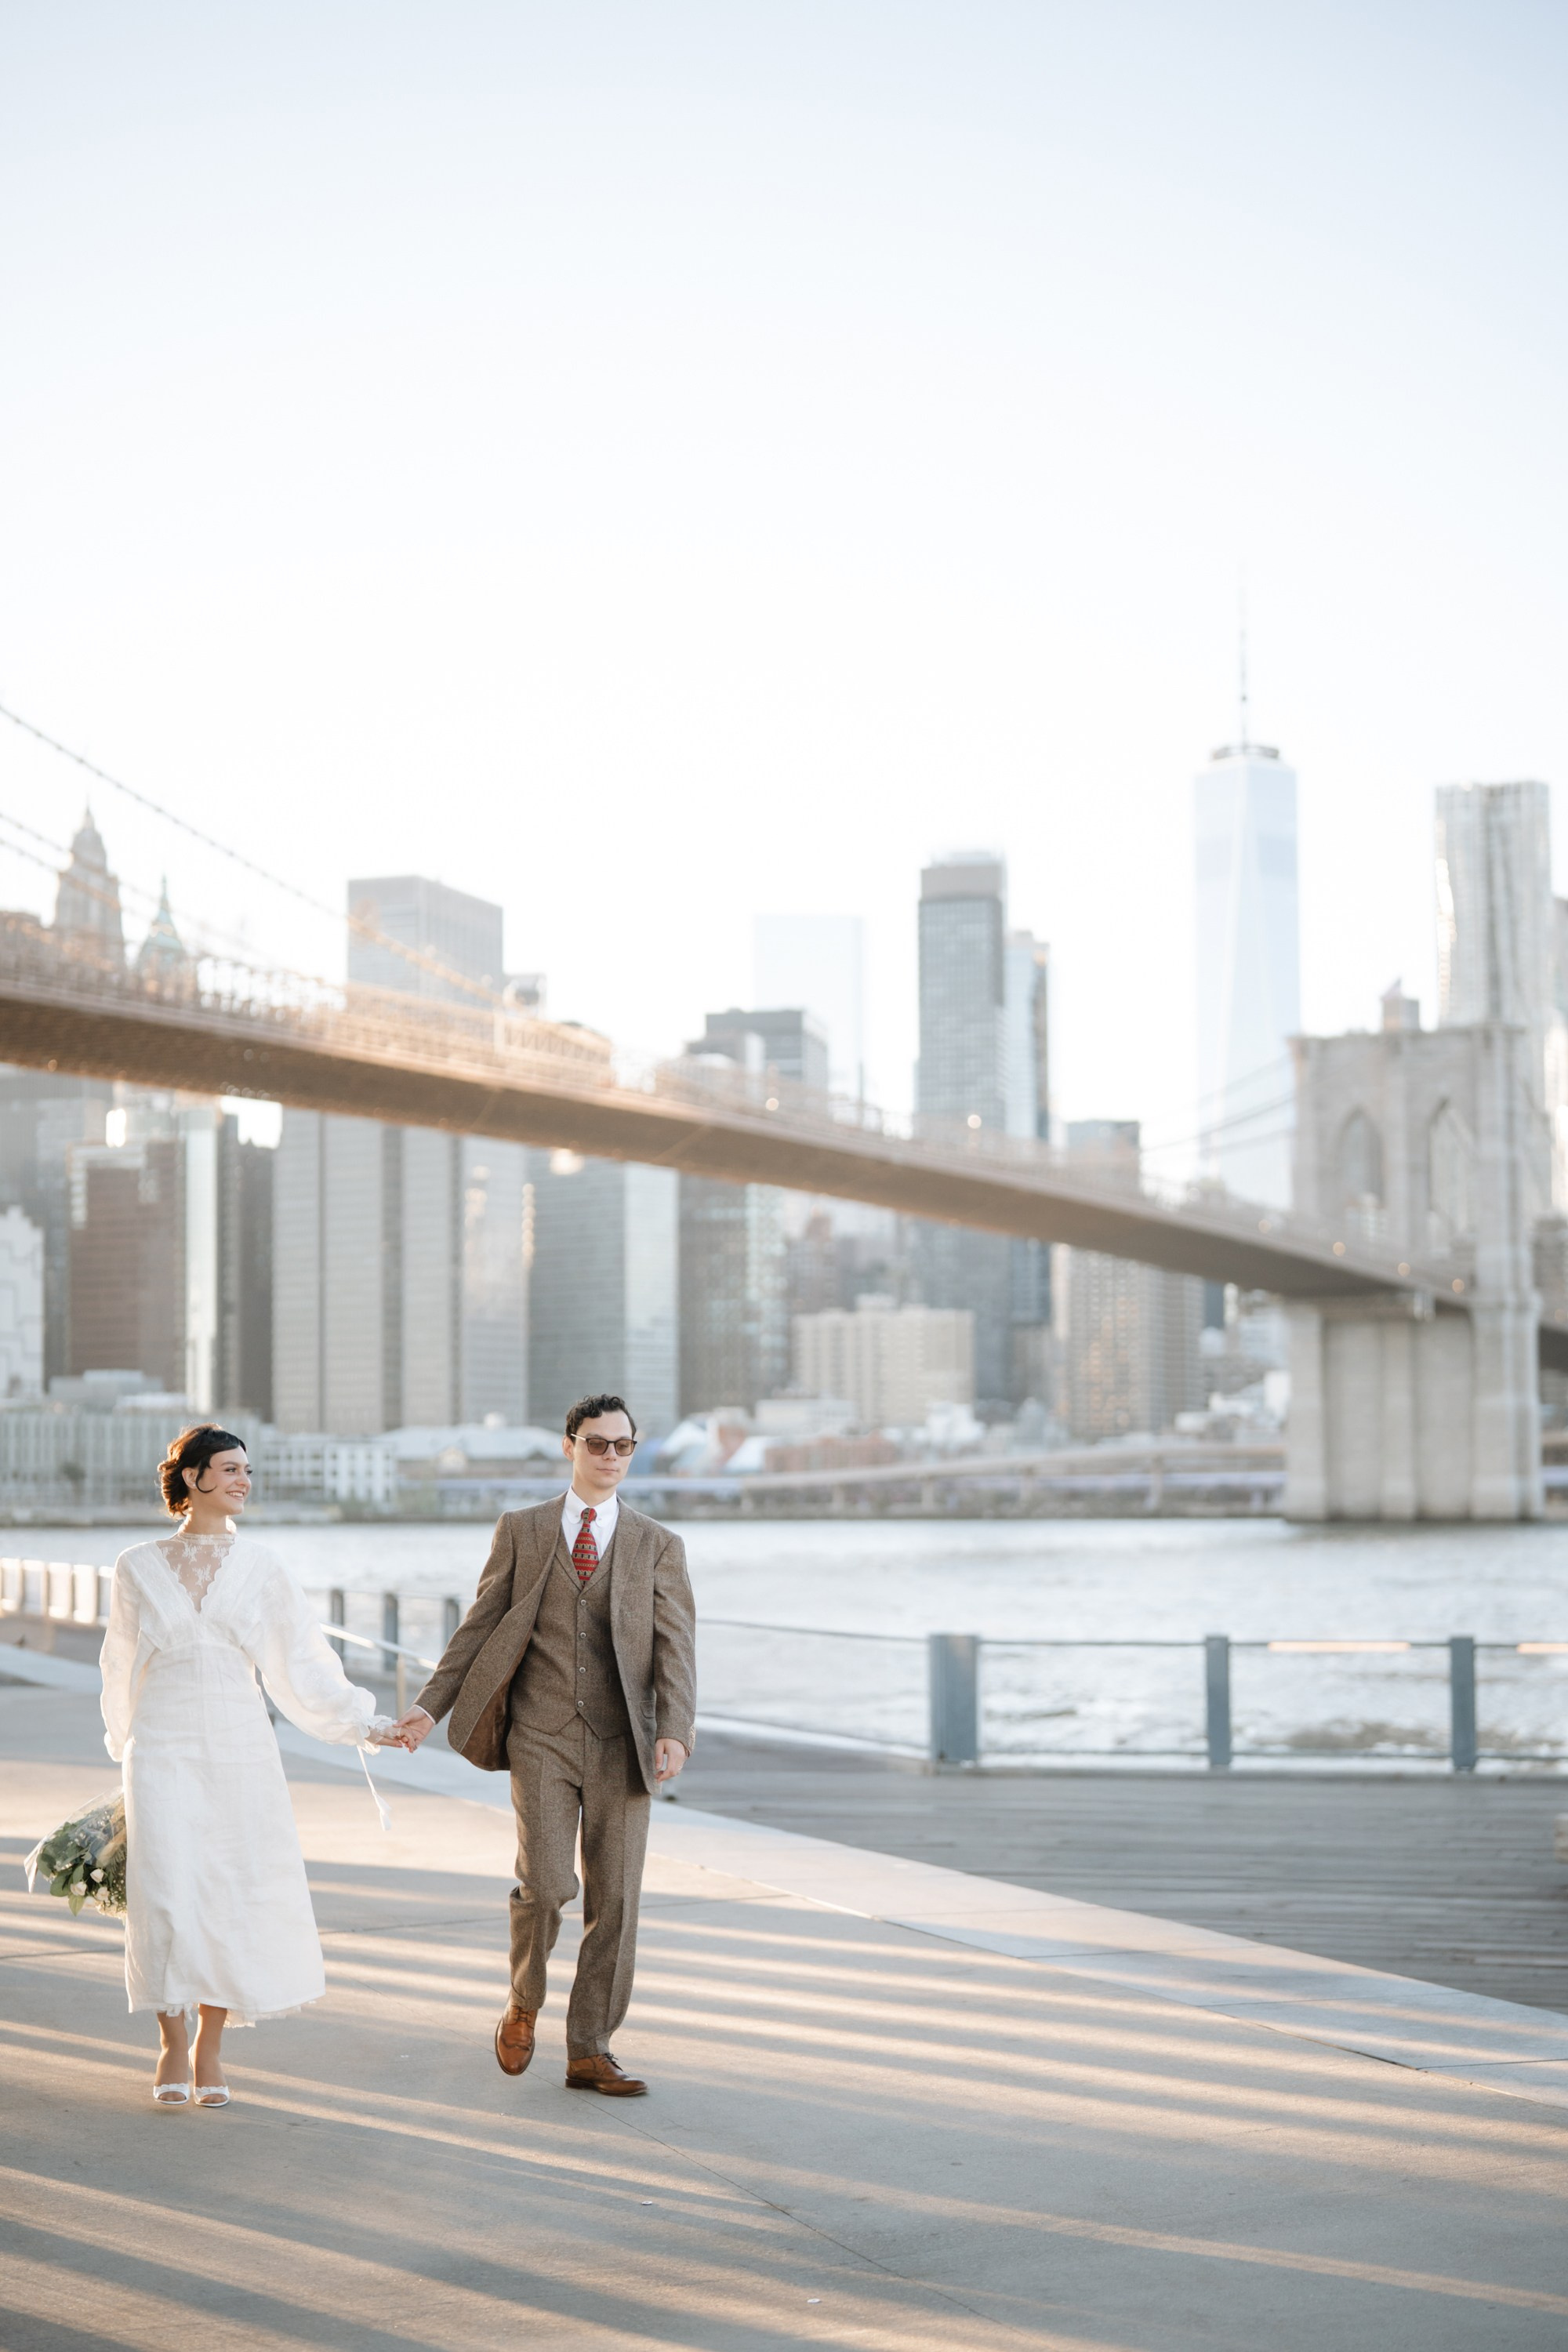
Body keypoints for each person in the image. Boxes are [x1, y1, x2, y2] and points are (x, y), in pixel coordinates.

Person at [394, 1393, 696, 2096]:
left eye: (623, 1446)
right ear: (569, 1446)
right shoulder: (523, 1530)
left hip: (625, 1740)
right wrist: (426, 1710)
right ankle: (524, 2002)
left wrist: (676, 1729)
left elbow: (675, 1646)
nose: (611, 1457)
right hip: (541, 1737)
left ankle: (590, 2048)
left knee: (616, 1899)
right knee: (548, 1884)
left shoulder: (658, 1544)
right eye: (597, 1444)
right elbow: (478, 1627)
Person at [100, 1424, 407, 2108]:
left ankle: (210, 2043)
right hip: (162, 1746)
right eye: (231, 1469)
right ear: (192, 1478)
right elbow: (119, 1665)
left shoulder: (262, 1566)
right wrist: (124, 1750)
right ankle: (170, 2040)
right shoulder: (136, 1564)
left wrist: (367, 1724)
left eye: (248, 1470)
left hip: (240, 1746)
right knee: (166, 1891)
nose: (244, 1480)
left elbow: (302, 1661)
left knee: (228, 1889)